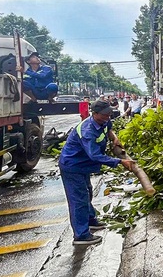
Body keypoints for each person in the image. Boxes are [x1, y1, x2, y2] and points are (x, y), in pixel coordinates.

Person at [59, 100, 135, 246]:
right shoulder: (87, 131)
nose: (108, 116)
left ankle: (91, 220)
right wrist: (120, 162)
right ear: (94, 114)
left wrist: (114, 138)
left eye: (109, 113)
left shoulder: (104, 121)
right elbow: (94, 156)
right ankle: (81, 235)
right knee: (79, 200)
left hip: (83, 166)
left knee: (87, 192)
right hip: (73, 166)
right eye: (105, 114)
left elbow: (109, 129)